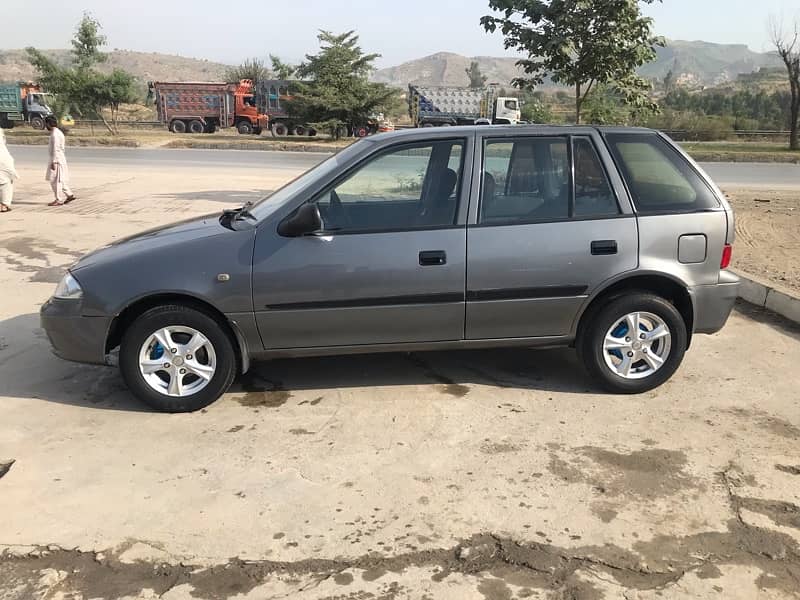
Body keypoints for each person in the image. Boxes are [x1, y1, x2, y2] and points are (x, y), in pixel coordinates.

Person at [45, 115, 76, 206]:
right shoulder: (57, 132)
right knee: (59, 179)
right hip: (58, 158)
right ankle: (69, 194)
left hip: (57, 159)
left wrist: (54, 162)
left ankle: (58, 199)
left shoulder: (55, 134)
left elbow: (56, 149)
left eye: (46, 124)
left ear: (49, 124)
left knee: (55, 181)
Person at [0, 127, 18, 213]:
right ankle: (5, 204)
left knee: (4, 182)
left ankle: (4, 205)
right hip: (5, 160)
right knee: (6, 183)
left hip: (3, 161)